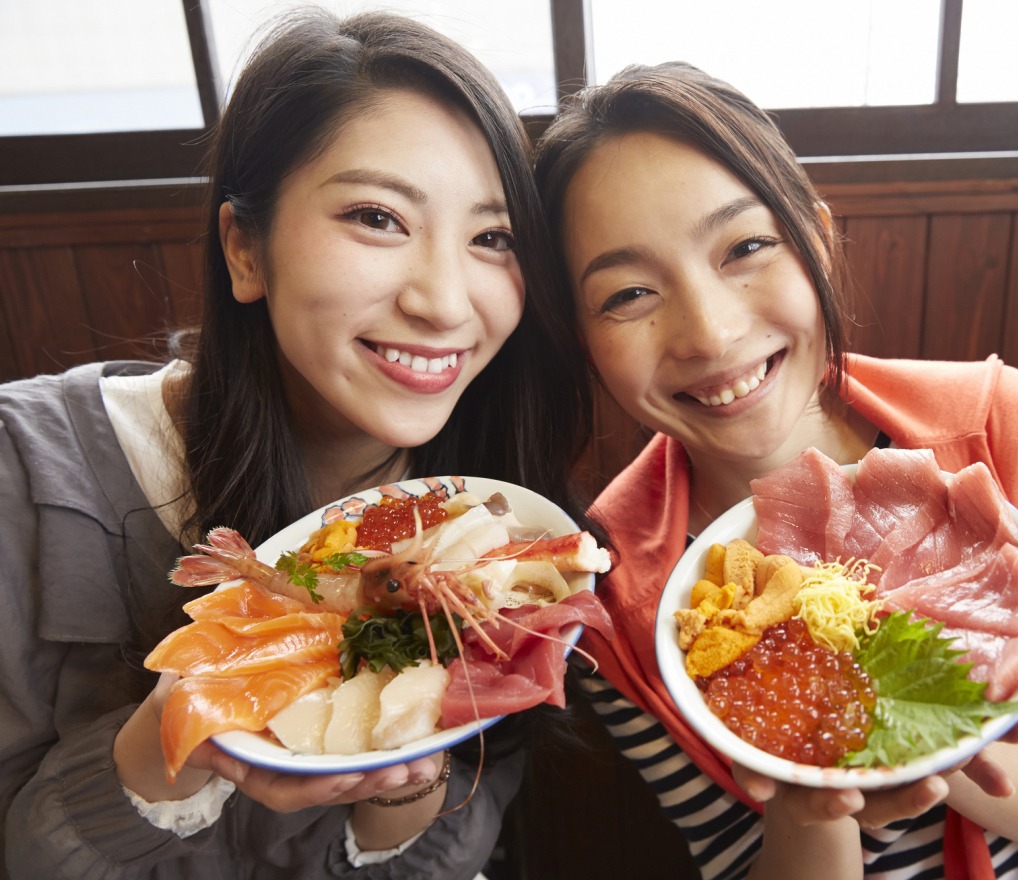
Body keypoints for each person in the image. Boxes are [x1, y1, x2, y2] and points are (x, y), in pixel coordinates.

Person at [0, 9, 590, 879]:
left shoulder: (495, 520)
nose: (444, 301)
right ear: (244, 248)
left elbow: (459, 849)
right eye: (378, 218)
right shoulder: (23, 469)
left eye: (492, 237)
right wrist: (165, 751)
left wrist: (396, 780)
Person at [534, 62, 1018, 879]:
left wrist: (935, 734)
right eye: (630, 294)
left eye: (746, 246)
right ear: (581, 337)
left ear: (815, 237)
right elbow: (742, 860)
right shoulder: (610, 597)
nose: (710, 335)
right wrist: (809, 801)